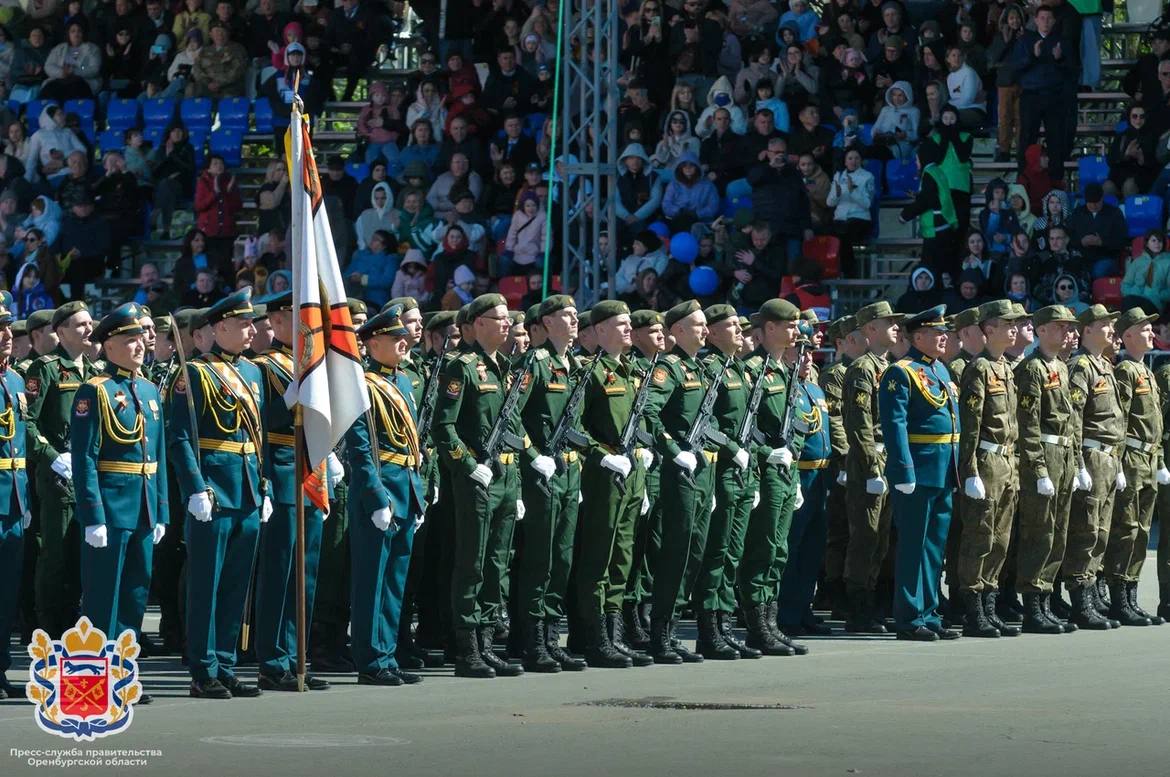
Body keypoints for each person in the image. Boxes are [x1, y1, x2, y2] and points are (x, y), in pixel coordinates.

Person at [168, 289, 269, 699]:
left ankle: (225, 663)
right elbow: (179, 438)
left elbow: (255, 437)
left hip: (246, 488)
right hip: (214, 488)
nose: (252, 330)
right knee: (206, 584)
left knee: (235, 585)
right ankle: (203, 668)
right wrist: (195, 487)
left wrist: (262, 486)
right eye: (243, 324)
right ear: (219, 327)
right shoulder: (194, 375)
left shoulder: (253, 373)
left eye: (252, 324)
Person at [71, 303, 168, 698]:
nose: (140, 344)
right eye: (129, 339)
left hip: (143, 506)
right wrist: (92, 515)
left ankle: (123, 673)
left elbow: (156, 456)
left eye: (141, 337)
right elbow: (85, 458)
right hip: (110, 510)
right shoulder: (94, 391)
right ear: (108, 345)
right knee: (102, 597)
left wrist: (160, 509)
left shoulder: (147, 390)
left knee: (134, 596)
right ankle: (93, 680)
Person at [432, 293, 525, 679]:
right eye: (499, 318)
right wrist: (468, 465)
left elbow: (514, 427)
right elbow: (443, 426)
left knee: (497, 562)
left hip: (506, 477)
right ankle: (467, 646)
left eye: (507, 318)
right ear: (479, 324)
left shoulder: (503, 367)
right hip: (478, 479)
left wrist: (516, 482)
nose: (506, 324)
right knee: (472, 561)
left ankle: (488, 642)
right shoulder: (462, 367)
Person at [248, 292, 333, 692]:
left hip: (311, 470)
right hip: (282, 469)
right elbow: (260, 423)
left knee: (307, 573)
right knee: (279, 572)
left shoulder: (314, 364)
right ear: (277, 322)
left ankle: (298, 653)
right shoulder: (264, 368)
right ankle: (272, 659)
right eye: (293, 317)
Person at [342, 304, 426, 686]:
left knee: (395, 579)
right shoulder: (362, 383)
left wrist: (417, 493)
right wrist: (376, 497)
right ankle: (370, 658)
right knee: (372, 578)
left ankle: (388, 653)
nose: (403, 344)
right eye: (395, 339)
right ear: (372, 343)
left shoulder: (403, 382)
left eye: (404, 338)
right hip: (380, 487)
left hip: (406, 484)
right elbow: (359, 448)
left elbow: (413, 442)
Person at [642, 300, 722, 663]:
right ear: (677, 331)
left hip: (703, 470)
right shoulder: (669, 369)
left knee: (696, 551)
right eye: (698, 325)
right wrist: (673, 450)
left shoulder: (702, 370)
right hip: (680, 471)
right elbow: (648, 412)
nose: (705, 331)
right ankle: (660, 633)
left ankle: (672, 629)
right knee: (676, 551)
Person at [877, 305, 961, 641]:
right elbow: (894, 425)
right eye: (937, 332)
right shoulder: (901, 372)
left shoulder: (941, 370)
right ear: (918, 336)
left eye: (944, 332)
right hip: (918, 469)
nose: (944, 338)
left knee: (933, 547)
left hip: (943, 469)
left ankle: (929, 611)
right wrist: (903, 469)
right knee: (913, 545)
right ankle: (910, 617)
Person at [25, 301, 100, 638]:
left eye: (89, 323)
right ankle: (49, 630)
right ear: (62, 331)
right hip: (58, 478)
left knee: (80, 558)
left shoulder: (94, 372)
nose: (89, 329)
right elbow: (28, 421)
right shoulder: (47, 368)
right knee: (55, 556)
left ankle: (74, 626)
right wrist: (51, 455)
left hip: (89, 478)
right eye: (81, 324)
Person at [737, 299, 804, 655]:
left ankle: (771, 621)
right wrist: (767, 457)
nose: (795, 331)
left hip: (784, 471)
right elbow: (744, 430)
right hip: (762, 473)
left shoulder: (783, 371)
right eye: (788, 325)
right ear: (770, 330)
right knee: (761, 549)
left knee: (779, 549)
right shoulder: (753, 370)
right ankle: (756, 625)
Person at [955, 299, 1025, 639]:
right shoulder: (979, 368)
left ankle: (989, 602)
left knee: (1001, 538)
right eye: (1006, 324)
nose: (1013, 329)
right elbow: (970, 426)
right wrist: (969, 472)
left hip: (1007, 461)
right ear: (988, 330)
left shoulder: (1006, 368)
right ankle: (972, 608)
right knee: (979, 536)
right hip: (986, 460)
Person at [1012, 304, 1080, 634]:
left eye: (1069, 327)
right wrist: (1038, 470)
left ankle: (1048, 595)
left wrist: (1077, 463)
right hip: (1045, 453)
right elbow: (1027, 424)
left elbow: (1071, 421)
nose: (1067, 332)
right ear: (1041, 331)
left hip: (1064, 453)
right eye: (1060, 326)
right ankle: (1033, 602)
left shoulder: (1062, 367)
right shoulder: (1032, 369)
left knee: (1059, 532)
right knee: (1039, 531)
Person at [841, 301, 904, 634]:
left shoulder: (888, 365)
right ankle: (858, 607)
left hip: (888, 458)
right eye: (888, 322)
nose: (895, 327)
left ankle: (874, 600)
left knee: (882, 537)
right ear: (870, 330)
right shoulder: (863, 369)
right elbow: (859, 424)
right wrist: (871, 469)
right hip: (871, 461)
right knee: (865, 536)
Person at [1104, 308, 1169, 626]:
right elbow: (1120, 422)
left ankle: (1130, 595)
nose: (1151, 334)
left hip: (1147, 459)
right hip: (1130, 458)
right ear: (1127, 334)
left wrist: (1157, 461)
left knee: (1142, 531)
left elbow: (1153, 425)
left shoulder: (1145, 372)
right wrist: (1117, 463)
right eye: (1144, 329)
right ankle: (1119, 597)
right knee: (1126, 530)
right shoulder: (1126, 371)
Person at [775, 323, 835, 638]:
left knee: (813, 549)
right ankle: (786, 613)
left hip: (820, 476)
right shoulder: (782, 387)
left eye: (809, 351)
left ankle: (802, 609)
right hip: (797, 474)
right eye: (800, 351)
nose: (807, 357)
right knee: (792, 548)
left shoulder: (813, 387)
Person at [0, 298, 30, 699]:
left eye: (8, 328)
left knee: (7, 593)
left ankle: (1, 667)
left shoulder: (16, 381)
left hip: (12, 502)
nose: (7, 336)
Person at [1014, 6, 1075, 185]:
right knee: (1027, 138)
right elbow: (1016, 67)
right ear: (1036, 20)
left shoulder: (1062, 42)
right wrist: (1033, 56)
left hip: (1054, 96)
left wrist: (1060, 59)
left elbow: (1072, 71)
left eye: (1049, 18)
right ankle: (1023, 178)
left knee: (1056, 139)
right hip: (1031, 95)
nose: (1046, 22)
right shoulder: (1026, 40)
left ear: (1054, 21)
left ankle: (1056, 180)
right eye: (1042, 18)